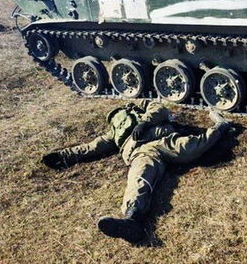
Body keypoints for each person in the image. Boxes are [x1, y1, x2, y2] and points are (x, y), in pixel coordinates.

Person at [41, 100, 233, 243]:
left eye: (118, 114)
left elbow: (160, 108)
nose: (117, 118)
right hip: (141, 152)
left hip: (161, 139)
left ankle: (220, 126)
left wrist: (144, 122)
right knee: (139, 178)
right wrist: (65, 155)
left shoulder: (141, 108)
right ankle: (133, 221)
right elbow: (93, 146)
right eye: (114, 118)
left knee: (191, 147)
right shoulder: (114, 134)